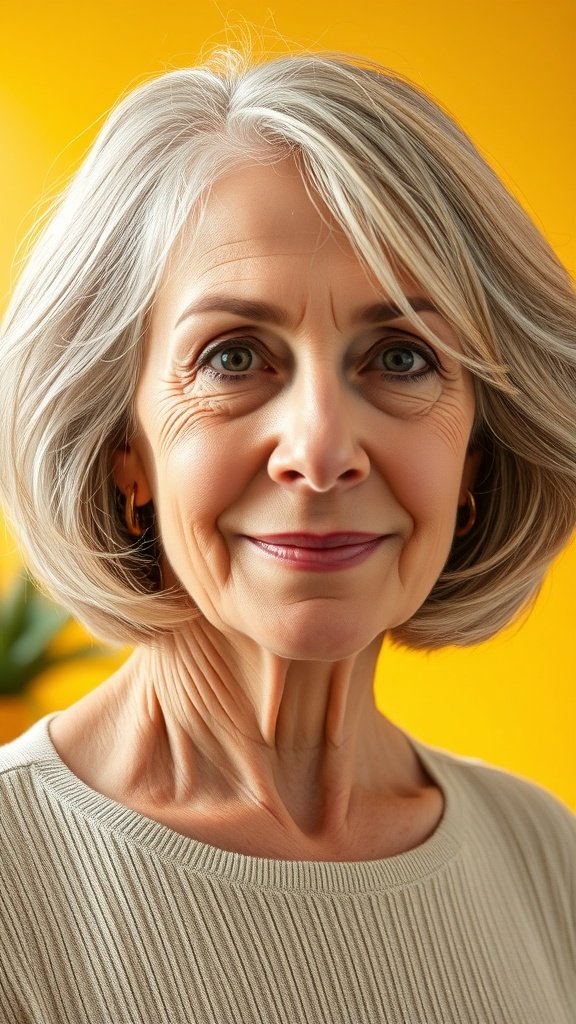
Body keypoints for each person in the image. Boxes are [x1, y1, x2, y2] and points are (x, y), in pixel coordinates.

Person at [0, 45, 574, 1024]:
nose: (320, 448)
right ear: (121, 446)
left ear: (477, 454)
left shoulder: (546, 857)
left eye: (400, 355)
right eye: (234, 356)